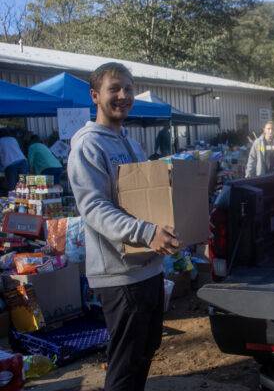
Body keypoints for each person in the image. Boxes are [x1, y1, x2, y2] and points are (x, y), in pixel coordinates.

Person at [68, 62, 180, 391]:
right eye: (114, 89)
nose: (123, 95)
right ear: (95, 96)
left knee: (144, 352)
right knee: (126, 364)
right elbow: (94, 207)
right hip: (119, 275)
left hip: (147, 268)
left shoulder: (131, 143)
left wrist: (180, 224)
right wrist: (147, 233)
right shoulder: (89, 145)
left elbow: (149, 200)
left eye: (128, 89)